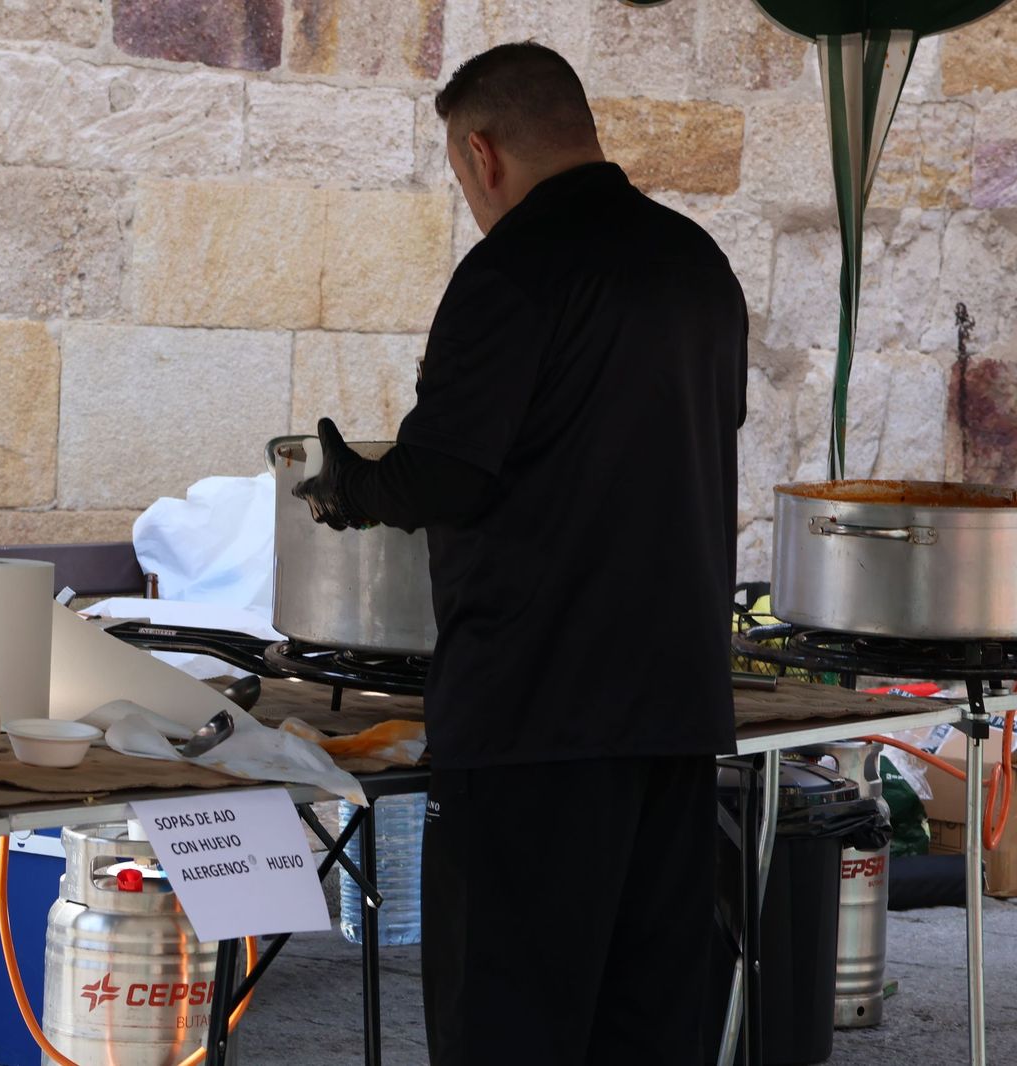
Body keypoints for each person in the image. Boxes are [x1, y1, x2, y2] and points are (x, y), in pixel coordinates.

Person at [293, 42, 748, 1065]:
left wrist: (350, 487)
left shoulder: (511, 269)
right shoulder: (697, 264)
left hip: (535, 714)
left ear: (481, 153)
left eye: (463, 176)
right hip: (674, 710)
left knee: (510, 1024)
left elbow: (446, 475)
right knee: (648, 1025)